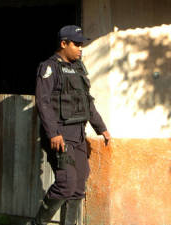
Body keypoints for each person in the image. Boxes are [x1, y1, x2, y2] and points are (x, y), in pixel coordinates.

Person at [32, 25, 111, 225]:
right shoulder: (50, 67)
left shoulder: (78, 68)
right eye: (76, 44)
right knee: (66, 184)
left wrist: (101, 128)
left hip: (78, 135)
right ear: (63, 43)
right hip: (61, 135)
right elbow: (43, 102)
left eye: (81, 44)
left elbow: (87, 102)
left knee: (78, 186)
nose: (80, 48)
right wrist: (53, 133)